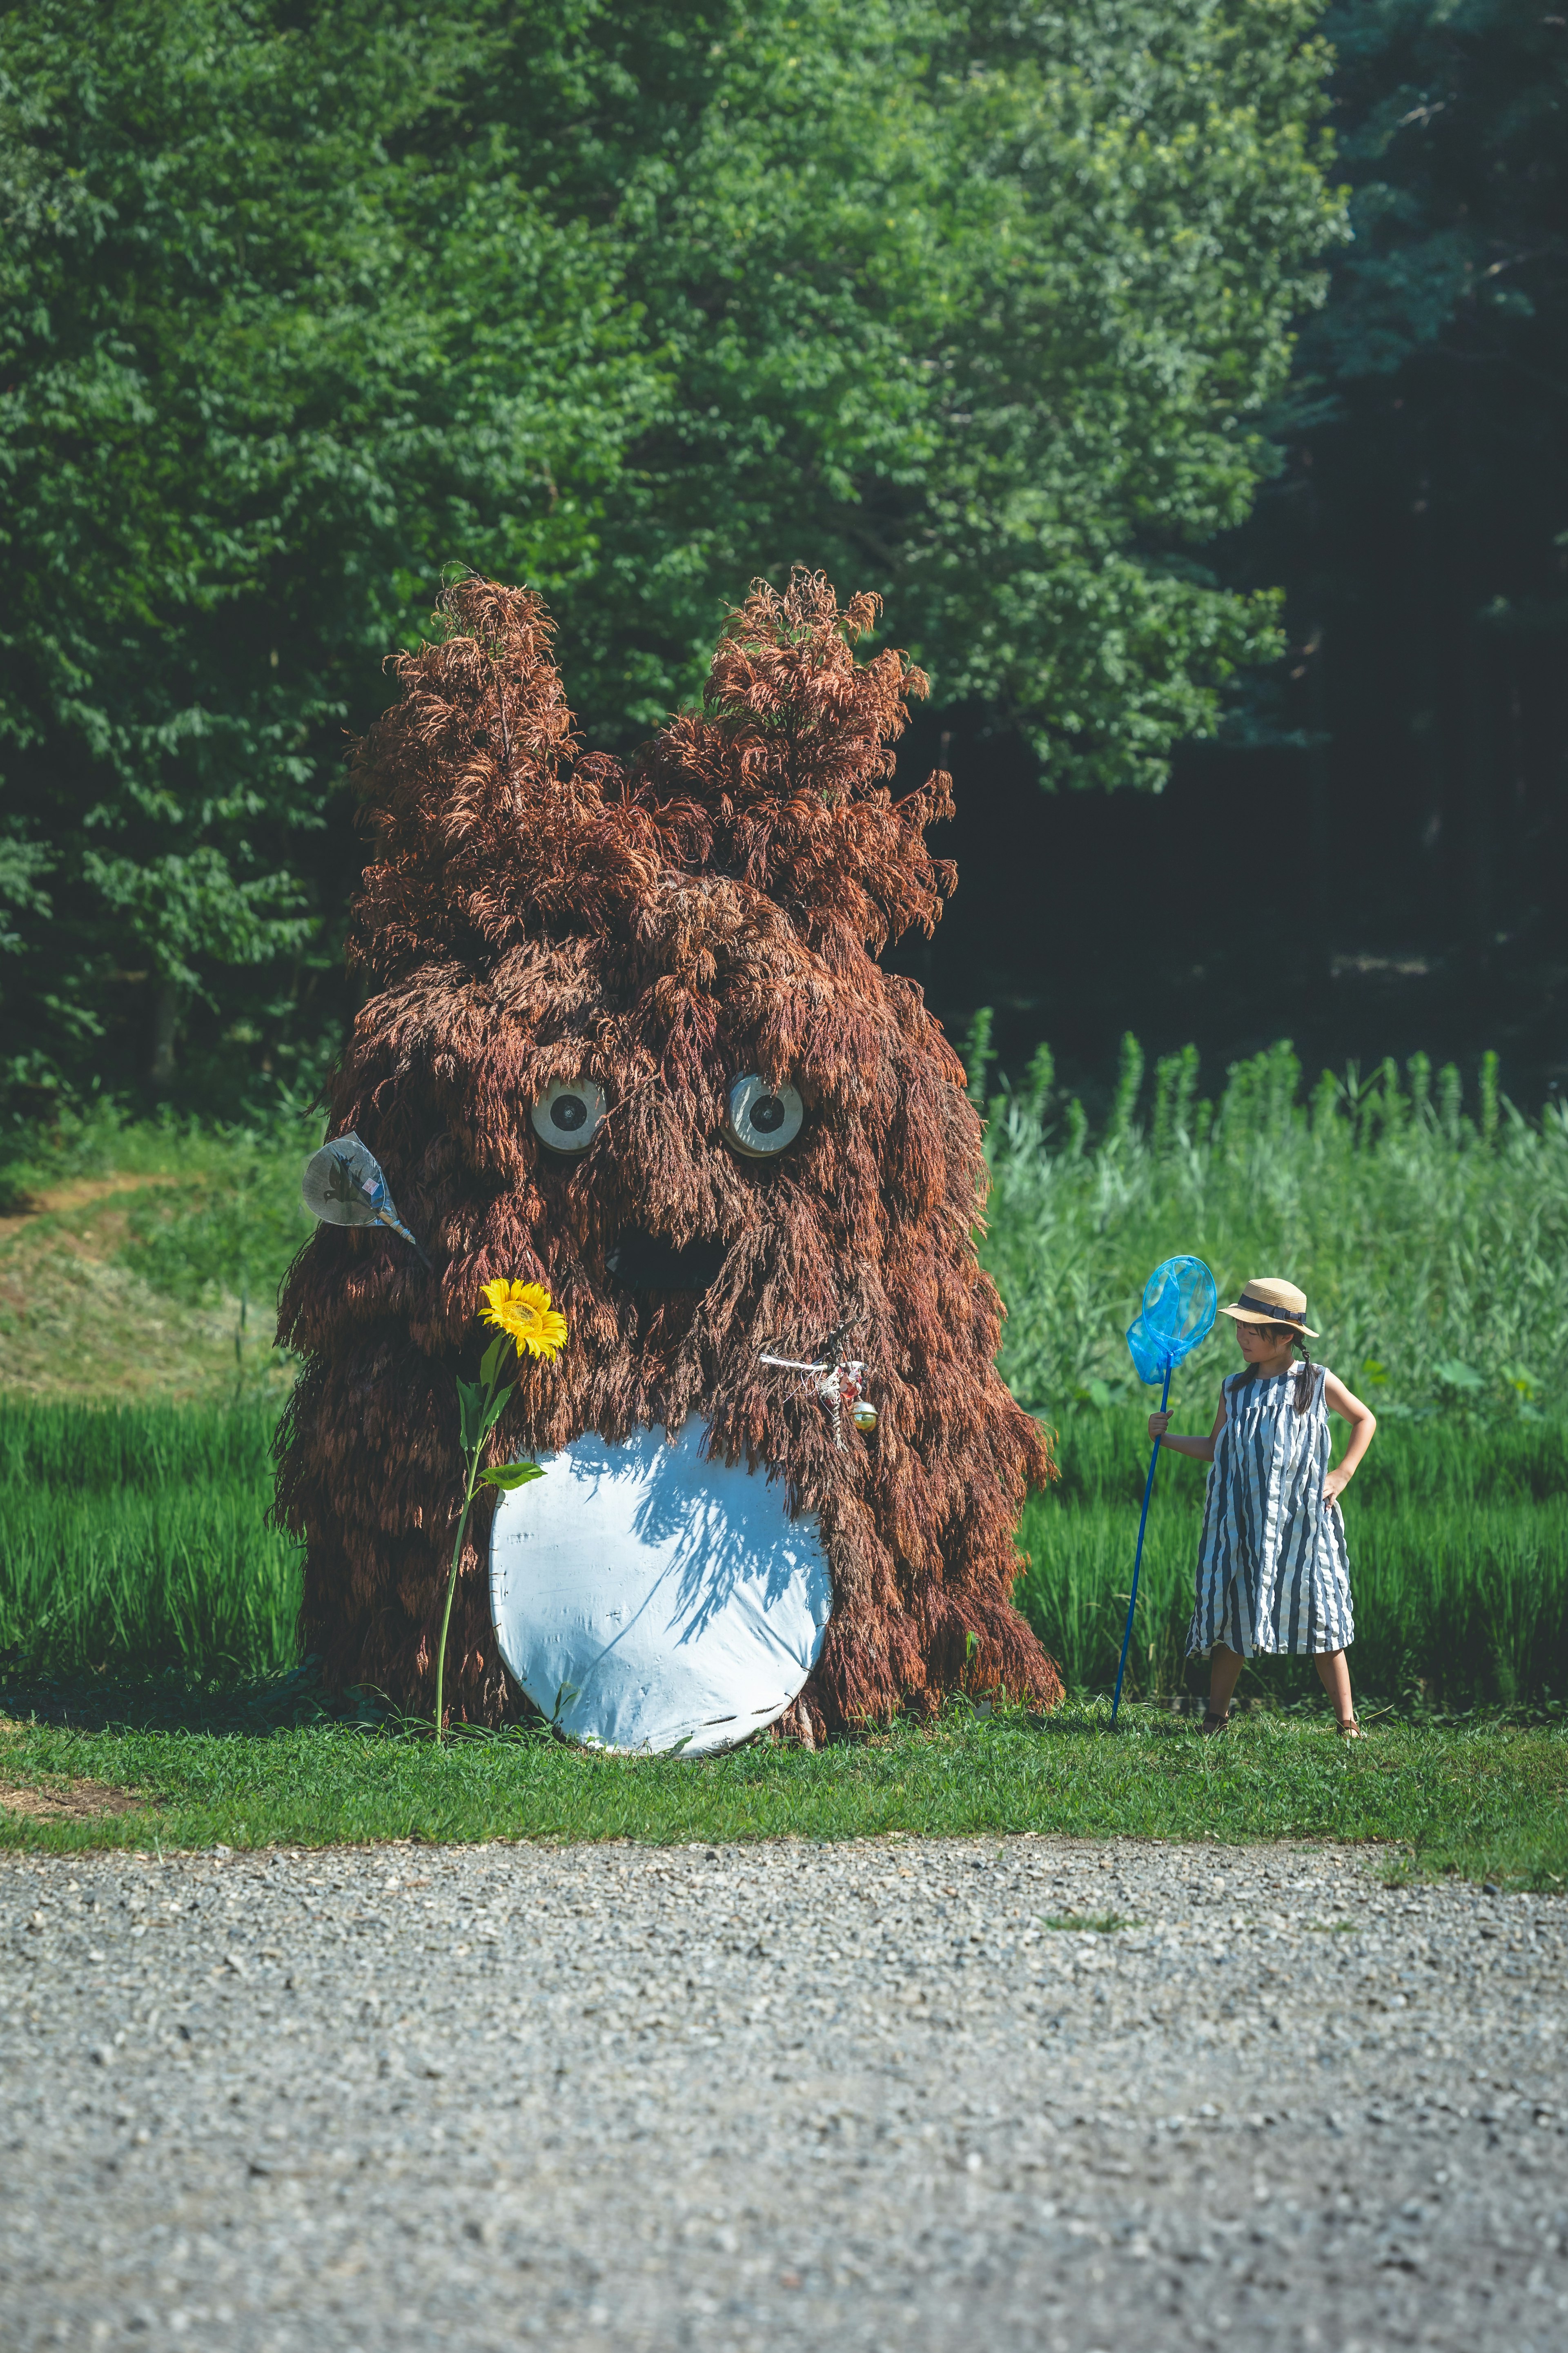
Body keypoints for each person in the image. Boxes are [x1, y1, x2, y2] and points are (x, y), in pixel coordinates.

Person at [1148, 1277, 1376, 1737]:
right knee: (1233, 1613)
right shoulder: (1233, 1388)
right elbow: (1216, 1446)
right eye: (1241, 1327)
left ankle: (1347, 1721)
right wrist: (1163, 1437)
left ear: (1286, 1336)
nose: (1243, 1337)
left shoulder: (1315, 1382)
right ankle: (1216, 1715)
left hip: (1304, 1526)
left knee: (1321, 1614)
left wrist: (1343, 1473)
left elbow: (1364, 1419)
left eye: (1254, 1330)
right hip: (1244, 1525)